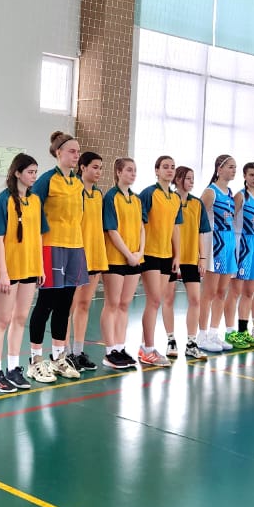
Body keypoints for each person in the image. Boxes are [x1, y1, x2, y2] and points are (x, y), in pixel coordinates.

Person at [27, 132, 87, 382]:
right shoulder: (46, 180)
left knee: (65, 305)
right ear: (58, 152)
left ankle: (59, 358)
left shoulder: (78, 183)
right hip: (51, 246)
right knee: (46, 303)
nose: (76, 155)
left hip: (75, 247)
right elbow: (32, 214)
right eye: (72, 151)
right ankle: (35, 361)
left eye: (78, 151)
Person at [0, 154, 47, 392]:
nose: (34, 176)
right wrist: (3, 272)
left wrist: (40, 266)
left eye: (36, 172)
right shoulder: (4, 199)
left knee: (20, 318)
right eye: (30, 172)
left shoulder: (35, 200)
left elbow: (39, 236)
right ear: (17, 173)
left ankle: (13, 368)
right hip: (9, 270)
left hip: (29, 268)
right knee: (2, 320)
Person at [137, 155, 183, 365]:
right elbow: (139, 224)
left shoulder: (175, 198)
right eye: (165, 167)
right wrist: (139, 250)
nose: (169, 170)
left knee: (157, 301)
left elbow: (175, 228)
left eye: (172, 167)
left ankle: (144, 346)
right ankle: (148, 349)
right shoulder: (149, 193)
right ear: (156, 170)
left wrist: (177, 255)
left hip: (166, 255)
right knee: (154, 300)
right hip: (150, 254)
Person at [162, 165, 210, 360]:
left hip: (191, 258)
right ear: (178, 179)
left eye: (192, 178)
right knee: (168, 299)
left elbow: (201, 232)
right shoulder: (169, 200)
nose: (191, 182)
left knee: (195, 299)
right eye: (188, 178)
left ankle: (191, 342)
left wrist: (203, 257)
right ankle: (171, 340)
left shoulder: (197, 204)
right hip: (170, 256)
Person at [101, 158, 144, 369]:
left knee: (125, 304)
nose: (133, 174)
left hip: (135, 259)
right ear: (118, 172)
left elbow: (142, 228)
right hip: (116, 258)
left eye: (135, 170)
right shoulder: (111, 197)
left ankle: (120, 347)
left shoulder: (136, 199)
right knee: (112, 303)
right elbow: (112, 230)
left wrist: (139, 253)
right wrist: (128, 254)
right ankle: (110, 351)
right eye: (128, 170)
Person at [68, 151, 106, 373]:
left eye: (100, 168)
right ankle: (63, 353)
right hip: (75, 255)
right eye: (94, 167)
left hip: (95, 255)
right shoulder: (74, 190)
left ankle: (78, 351)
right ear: (82, 167)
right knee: (69, 306)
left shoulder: (98, 194)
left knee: (84, 305)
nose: (98, 171)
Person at [197, 155, 237, 352]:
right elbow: (197, 219)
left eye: (235, 167)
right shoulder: (210, 192)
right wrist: (200, 252)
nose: (233, 170)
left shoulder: (230, 193)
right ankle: (201, 335)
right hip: (215, 244)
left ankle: (214, 333)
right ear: (219, 169)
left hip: (229, 244)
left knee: (222, 292)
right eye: (230, 167)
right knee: (209, 292)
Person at [230, 162, 254, 348]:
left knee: (249, 292)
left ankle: (244, 331)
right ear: (244, 176)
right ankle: (232, 331)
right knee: (236, 291)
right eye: (251, 174)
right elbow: (229, 221)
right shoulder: (240, 196)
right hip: (243, 245)